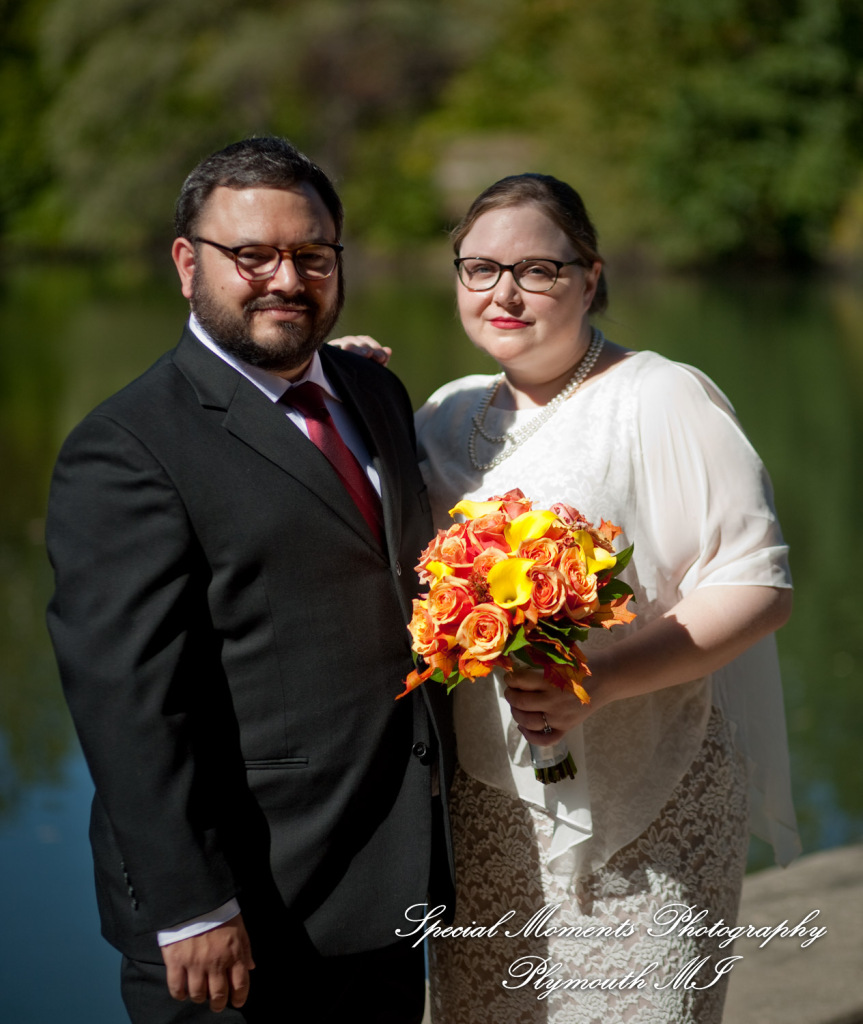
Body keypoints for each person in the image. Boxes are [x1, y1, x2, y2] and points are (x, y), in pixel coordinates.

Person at [339, 172, 799, 1023]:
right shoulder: (443, 414)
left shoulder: (661, 397)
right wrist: (343, 389)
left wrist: (597, 680)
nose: (502, 292)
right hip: (486, 821)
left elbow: (755, 586)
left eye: (536, 270)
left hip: (648, 813)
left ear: (588, 277)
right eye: (478, 269)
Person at [45, 136, 454, 1024]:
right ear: (188, 263)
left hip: (386, 883)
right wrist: (192, 904)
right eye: (252, 256)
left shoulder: (370, 390)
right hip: (240, 910)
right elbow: (127, 702)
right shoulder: (125, 449)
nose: (285, 279)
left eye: (310, 255)